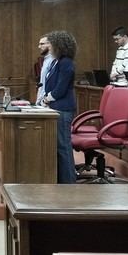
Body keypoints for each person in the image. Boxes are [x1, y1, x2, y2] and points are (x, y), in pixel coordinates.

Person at [41, 30, 77, 184]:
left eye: (51, 44)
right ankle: (61, 179)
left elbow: (61, 88)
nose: (48, 47)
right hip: (56, 107)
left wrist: (47, 98)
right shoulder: (56, 61)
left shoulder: (66, 62)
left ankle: (69, 183)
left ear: (59, 45)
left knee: (63, 146)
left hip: (63, 108)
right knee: (58, 145)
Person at [34, 36, 51, 104]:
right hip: (42, 101)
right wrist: (38, 101)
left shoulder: (53, 60)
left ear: (50, 45)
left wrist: (46, 99)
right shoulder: (45, 59)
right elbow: (42, 83)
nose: (39, 47)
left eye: (42, 44)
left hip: (48, 101)